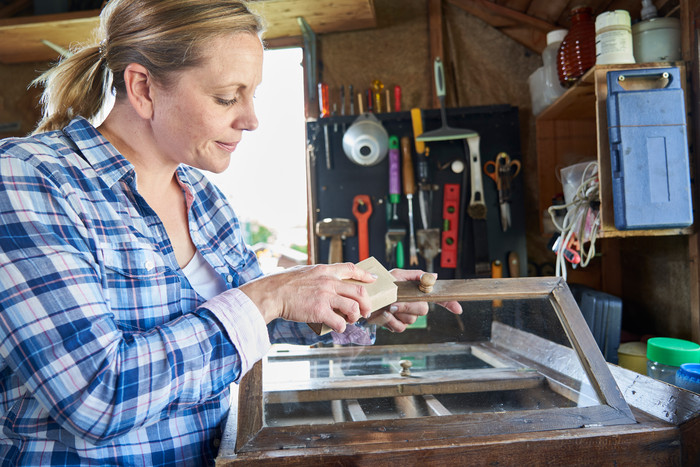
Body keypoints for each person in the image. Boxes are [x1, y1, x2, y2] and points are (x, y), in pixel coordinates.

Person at [0, 0, 462, 465]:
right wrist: (268, 295)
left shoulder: (205, 197)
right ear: (142, 88)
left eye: (252, 95)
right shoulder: (28, 179)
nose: (251, 119)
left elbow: (257, 321)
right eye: (226, 97)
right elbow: (95, 395)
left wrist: (352, 299)